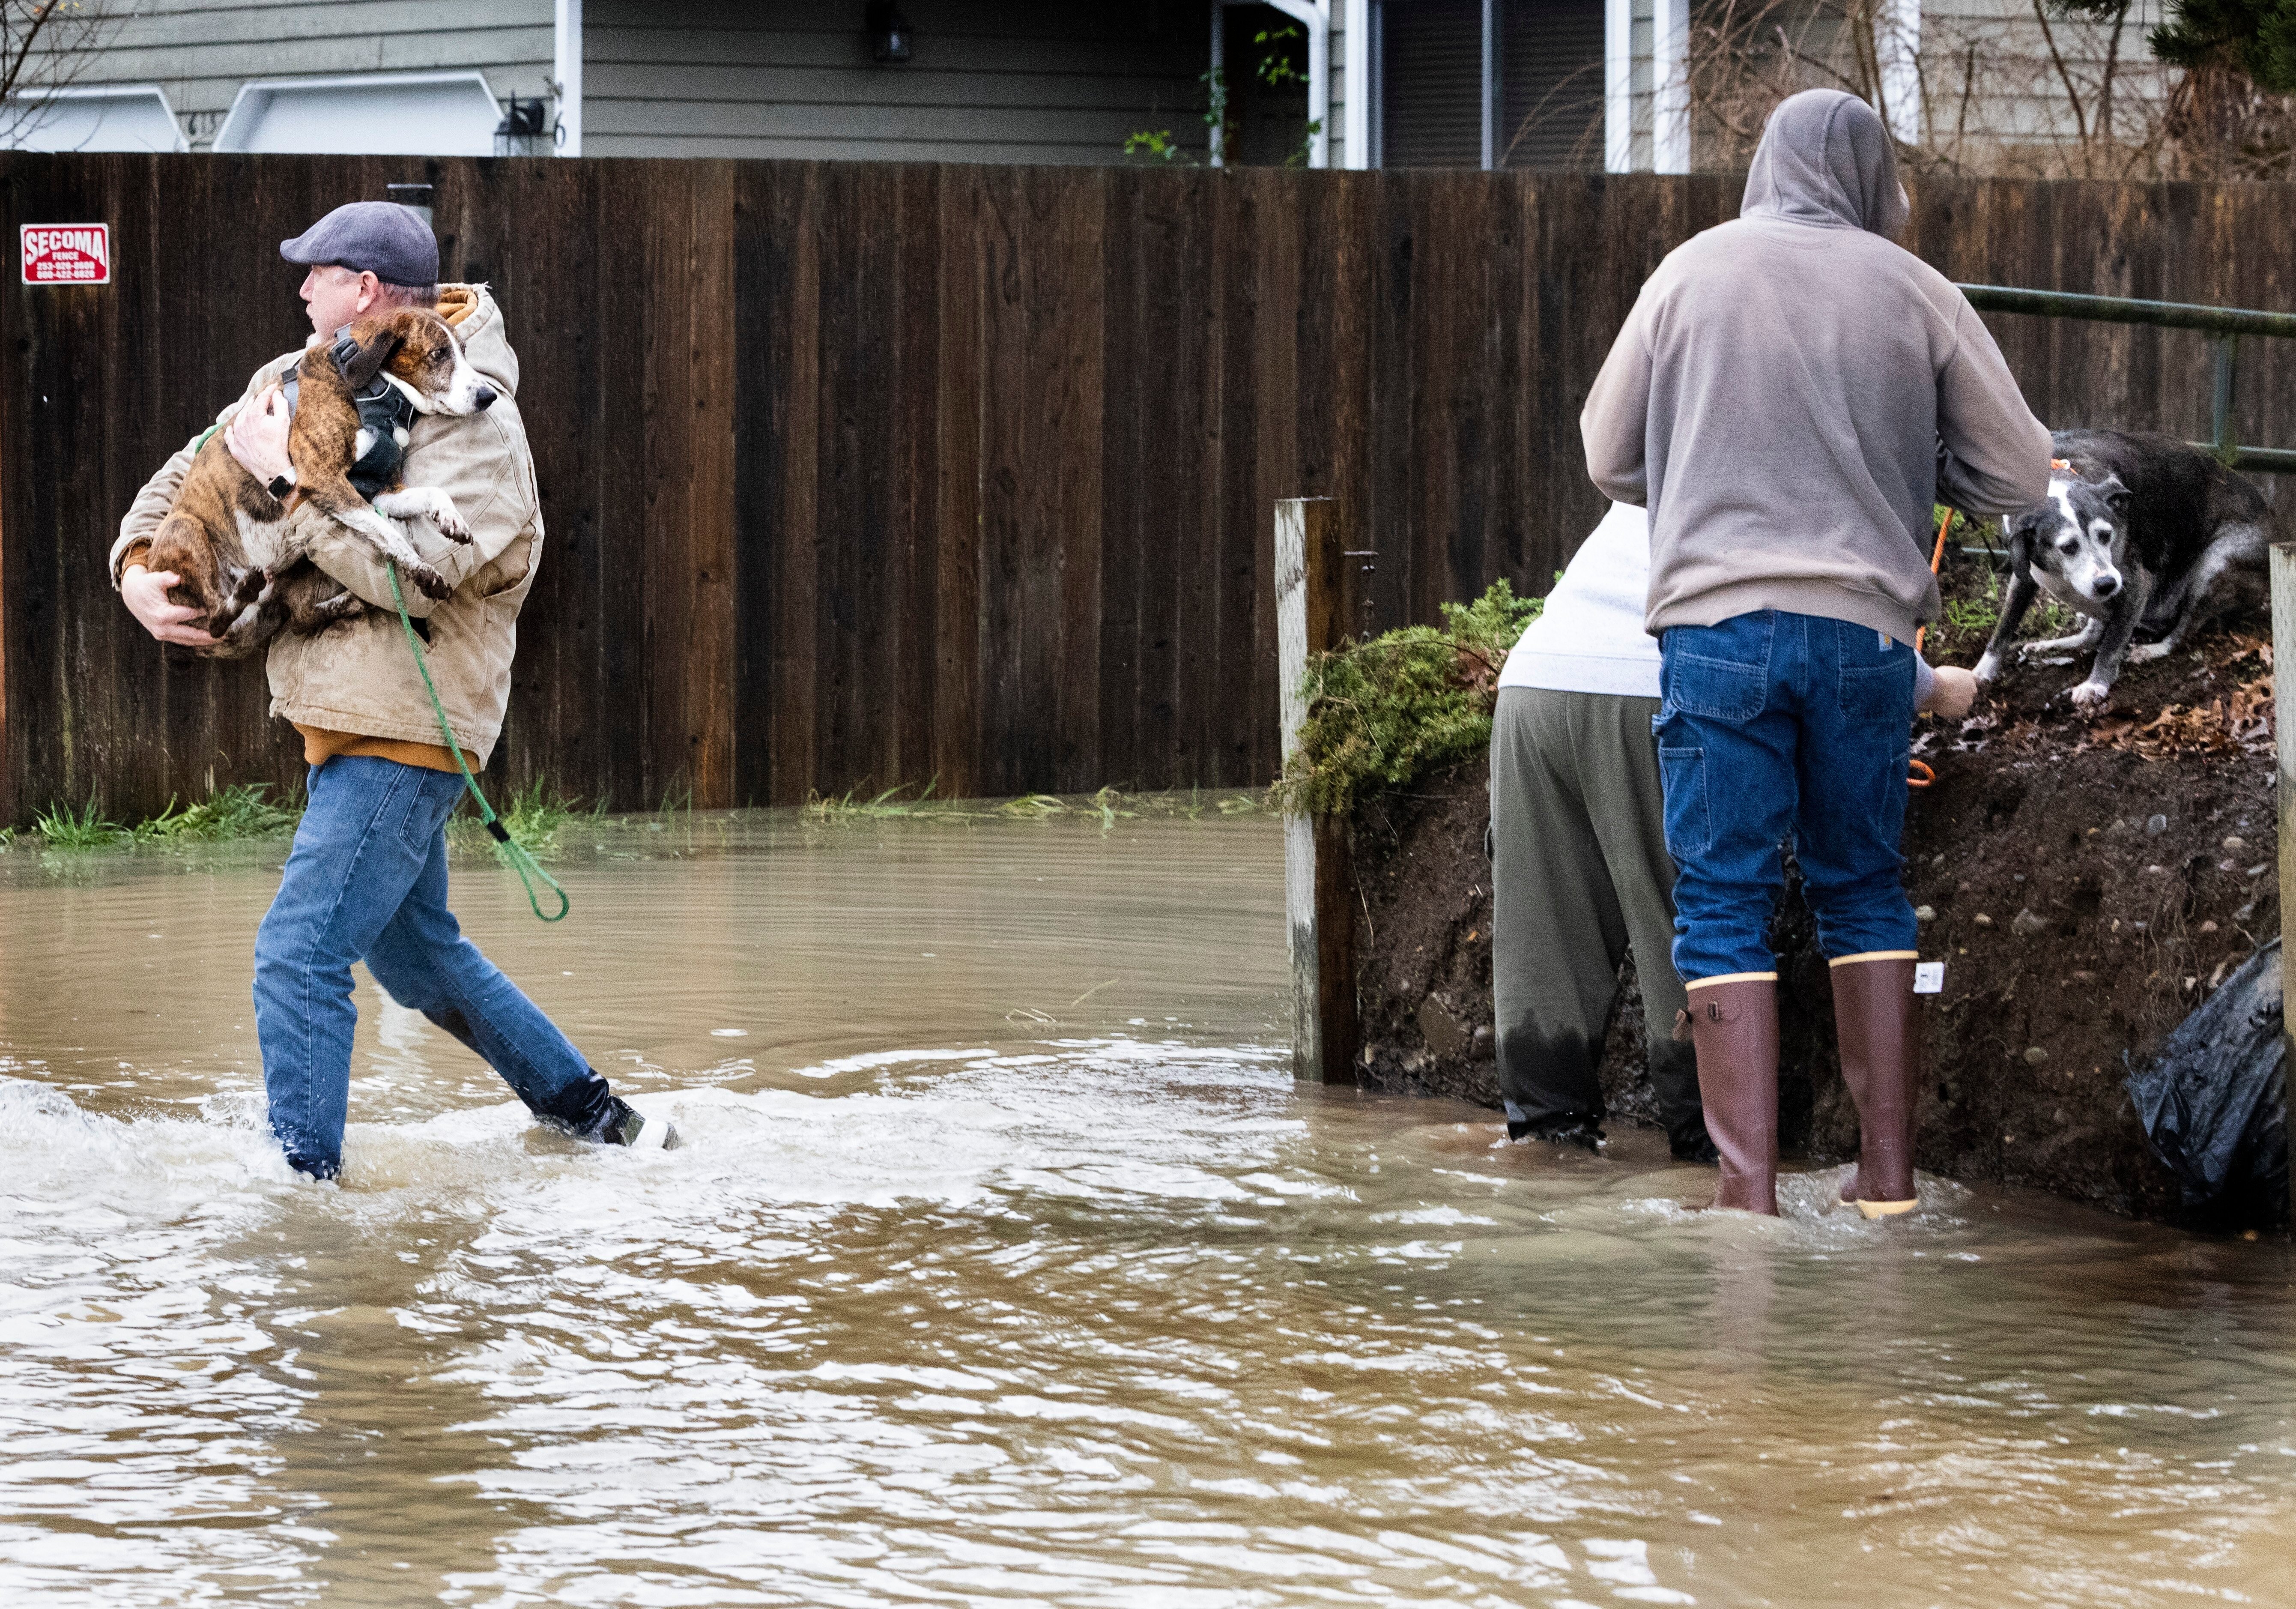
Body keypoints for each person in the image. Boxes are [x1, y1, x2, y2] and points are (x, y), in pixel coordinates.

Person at [112, 201, 674, 1180]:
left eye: (313, 273)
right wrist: (132, 571)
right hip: (341, 725)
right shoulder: (300, 375)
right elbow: (183, 474)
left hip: (408, 731)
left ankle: (303, 1202)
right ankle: (605, 1125)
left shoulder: (479, 424)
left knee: (296, 958)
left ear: (364, 290)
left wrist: (287, 481)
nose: (298, 290)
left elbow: (413, 575)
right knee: (417, 960)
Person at [1579, 89, 2048, 1217]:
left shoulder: (1688, 273)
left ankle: (1747, 1203)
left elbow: (1607, 452)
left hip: (1717, 631)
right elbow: (2024, 475)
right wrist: (1915, 459)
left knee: (1724, 901)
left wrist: (1704, 466)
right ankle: (1885, 1189)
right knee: (1862, 889)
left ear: (1766, 166)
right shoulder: (1915, 290)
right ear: (1873, 176)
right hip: (1863, 640)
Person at [1491, 502, 1977, 1166]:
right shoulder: (1807, 473)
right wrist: (1935, 687)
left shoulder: (1685, 429)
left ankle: (1544, 1150)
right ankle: (1709, 1154)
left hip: (1533, 683)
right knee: (1686, 913)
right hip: (1653, 684)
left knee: (1543, 936)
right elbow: (1822, 634)